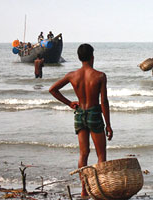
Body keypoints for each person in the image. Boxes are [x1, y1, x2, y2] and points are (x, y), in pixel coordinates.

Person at [49, 43, 113, 198]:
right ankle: (99, 189)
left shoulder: (73, 75)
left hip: (79, 114)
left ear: (79, 58)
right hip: (94, 114)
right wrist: (109, 125)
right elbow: (103, 101)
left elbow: (53, 89)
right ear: (92, 57)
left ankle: (84, 189)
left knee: (83, 154)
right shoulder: (99, 76)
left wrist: (70, 103)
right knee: (101, 155)